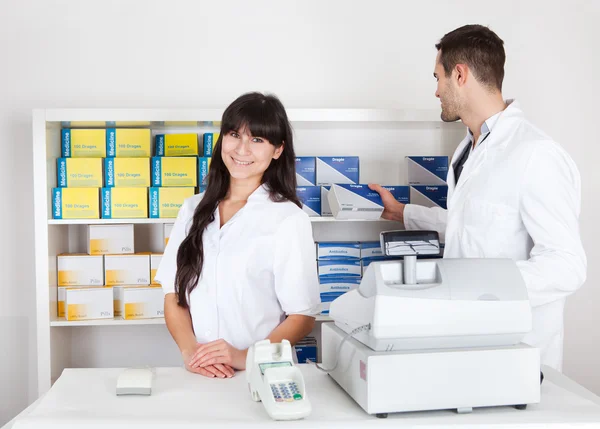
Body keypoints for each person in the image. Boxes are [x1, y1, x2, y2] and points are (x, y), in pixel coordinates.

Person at [369, 25, 586, 371]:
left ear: (460, 74)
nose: (436, 90)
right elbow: (472, 225)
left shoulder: (535, 154)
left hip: (519, 351)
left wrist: (482, 290)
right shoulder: (467, 149)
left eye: (438, 78)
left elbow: (567, 266)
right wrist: (404, 214)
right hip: (468, 339)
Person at [155, 92, 320, 378]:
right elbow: (173, 295)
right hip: (200, 374)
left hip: (263, 374)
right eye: (234, 134)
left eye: (257, 140)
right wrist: (192, 353)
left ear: (277, 150)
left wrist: (243, 356)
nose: (242, 150)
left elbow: (302, 316)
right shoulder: (192, 209)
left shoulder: (288, 219)